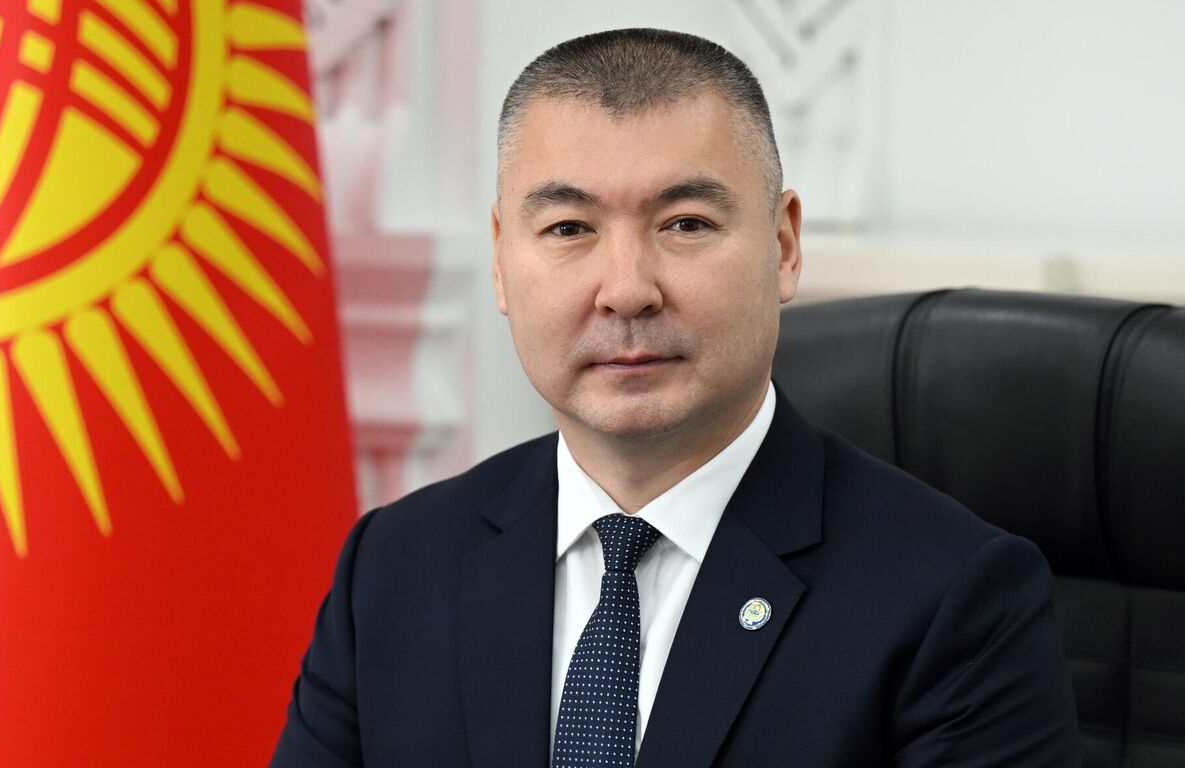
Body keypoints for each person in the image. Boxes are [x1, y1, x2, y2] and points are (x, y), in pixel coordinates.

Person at [270, 28, 1080, 767]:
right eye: (568, 229)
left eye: (685, 224)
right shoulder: (395, 567)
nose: (627, 290)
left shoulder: (955, 598)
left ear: (783, 245)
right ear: (501, 259)